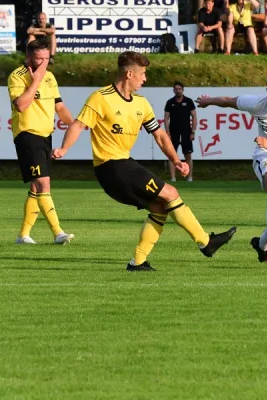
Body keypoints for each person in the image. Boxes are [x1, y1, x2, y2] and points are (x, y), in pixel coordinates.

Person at [52, 51, 236, 272]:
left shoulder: (141, 103)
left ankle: (138, 262)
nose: (145, 78)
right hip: (112, 166)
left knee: (160, 206)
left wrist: (176, 160)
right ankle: (206, 243)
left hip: (122, 166)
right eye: (143, 74)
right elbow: (78, 125)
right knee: (171, 193)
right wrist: (63, 148)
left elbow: (159, 135)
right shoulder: (100, 98)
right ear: (130, 73)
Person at [196, 71, 267, 268]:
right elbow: (229, 100)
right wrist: (208, 101)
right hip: (266, 157)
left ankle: (261, 245)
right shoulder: (258, 104)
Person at [8, 39, 75, 245]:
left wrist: (76, 124)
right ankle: (58, 233)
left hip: (45, 135)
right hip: (28, 134)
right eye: (39, 59)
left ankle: (23, 235)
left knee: (37, 188)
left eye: (47, 58)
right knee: (44, 183)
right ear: (29, 58)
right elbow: (21, 105)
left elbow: (60, 107)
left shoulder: (51, 77)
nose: (44, 63)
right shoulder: (17, 76)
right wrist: (35, 80)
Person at [164, 81, 197, 182]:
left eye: (179, 89)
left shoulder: (189, 101)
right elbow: (166, 119)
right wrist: (168, 133)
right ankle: (173, 178)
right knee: (172, 155)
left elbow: (194, 117)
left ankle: (189, 177)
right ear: (173, 90)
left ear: (183, 90)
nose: (178, 91)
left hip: (186, 132)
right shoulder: (170, 102)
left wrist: (193, 132)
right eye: (176, 89)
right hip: (173, 132)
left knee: (188, 155)